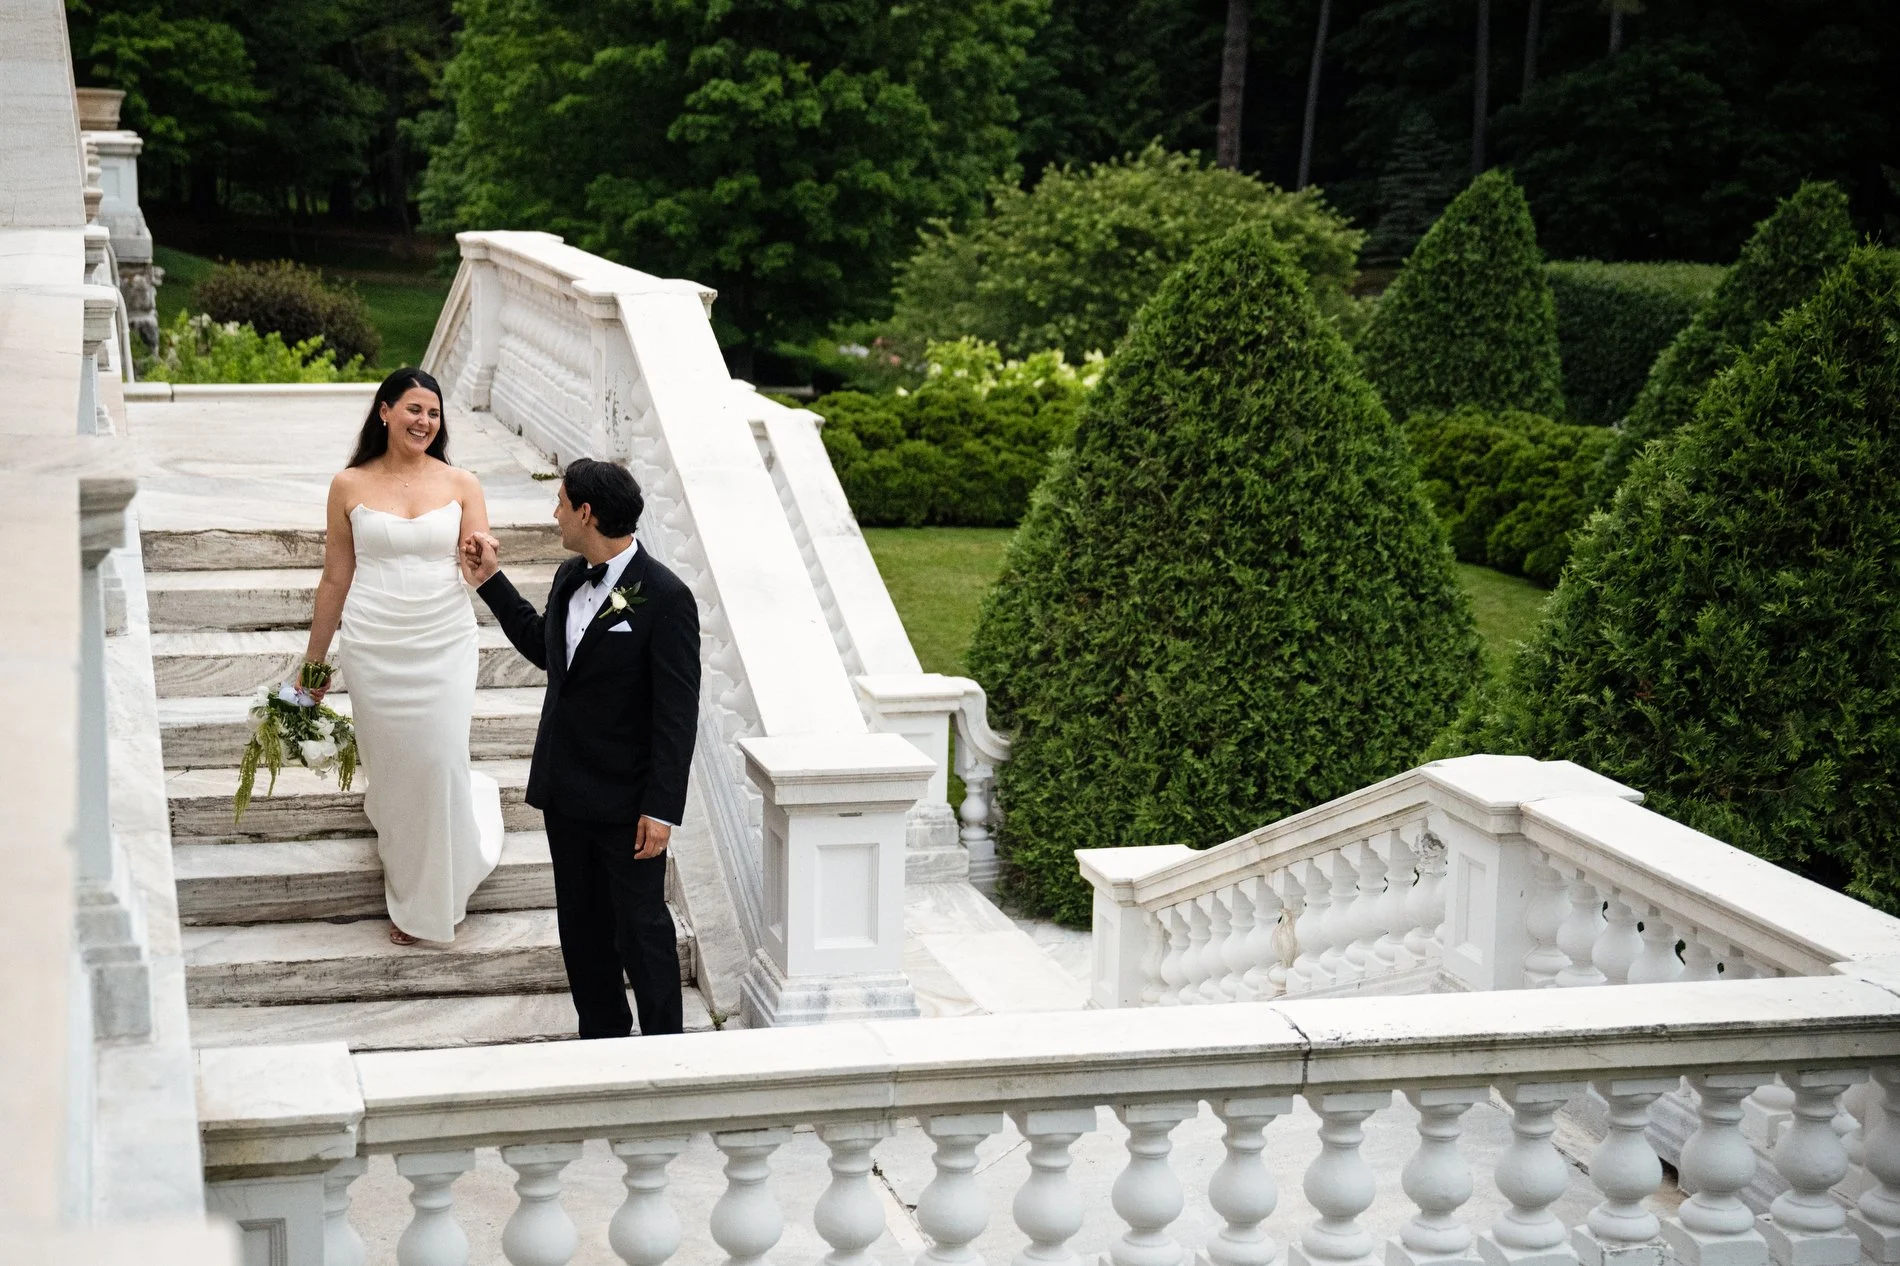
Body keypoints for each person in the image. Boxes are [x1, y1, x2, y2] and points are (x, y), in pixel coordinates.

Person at [461, 458, 700, 1038]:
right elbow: (550, 653)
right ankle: (602, 1043)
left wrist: (661, 808)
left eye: (561, 501)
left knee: (641, 929)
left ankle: (669, 1050)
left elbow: (677, 715)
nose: (555, 512)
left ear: (586, 512)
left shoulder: (666, 596)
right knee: (582, 929)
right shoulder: (571, 575)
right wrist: (491, 581)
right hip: (566, 793)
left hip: (629, 808)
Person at [302, 367, 503, 947]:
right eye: (414, 409)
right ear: (385, 412)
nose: (425, 421)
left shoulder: (462, 483)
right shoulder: (348, 485)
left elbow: (479, 556)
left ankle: (431, 901)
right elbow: (335, 578)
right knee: (393, 774)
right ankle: (410, 877)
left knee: (440, 760)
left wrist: (480, 555)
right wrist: (314, 668)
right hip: (373, 644)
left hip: (443, 639)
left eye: (434, 413)